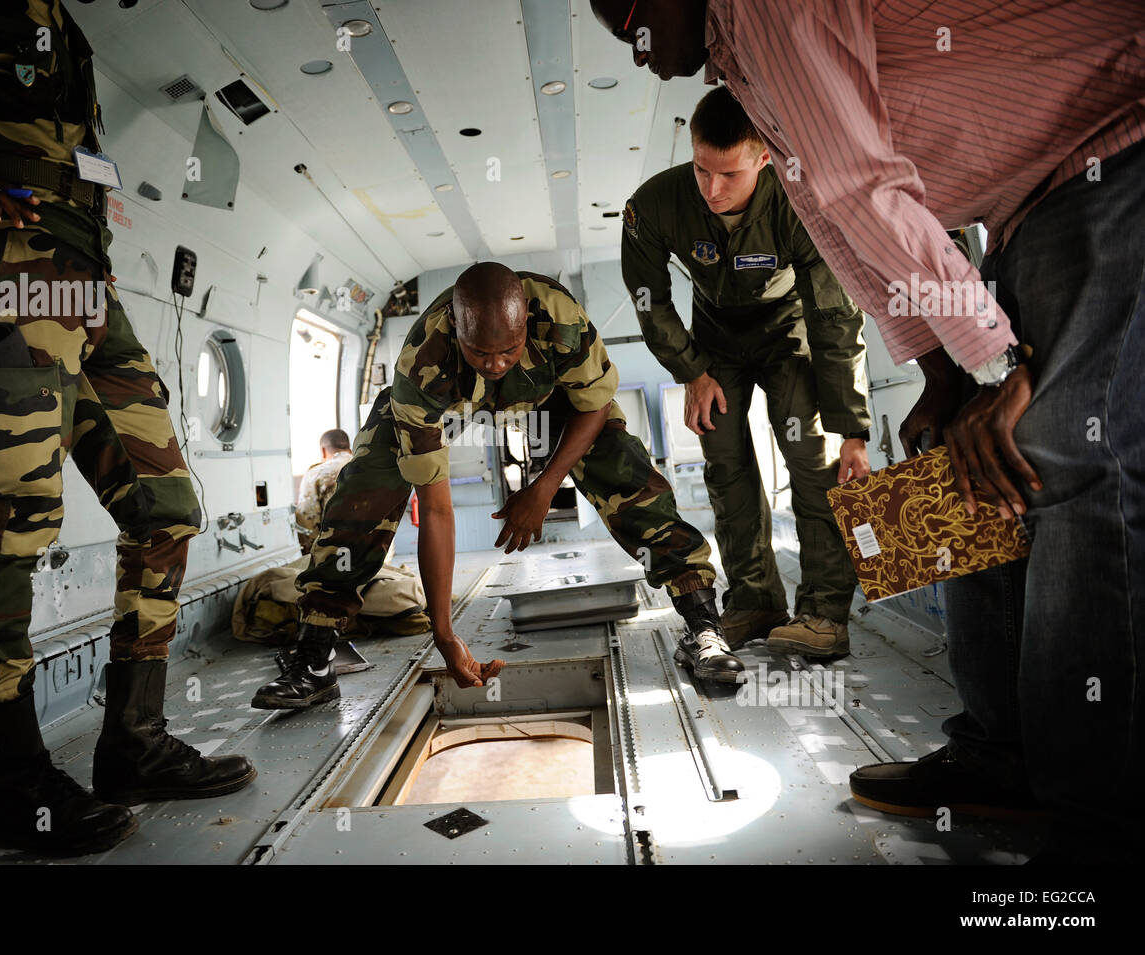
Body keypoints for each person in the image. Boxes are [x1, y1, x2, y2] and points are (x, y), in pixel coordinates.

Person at [591, 0, 1145, 862]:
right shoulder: (730, 78)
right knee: (954, 474)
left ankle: (1097, 814)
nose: (636, 54)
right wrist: (940, 366)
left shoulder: (759, 9)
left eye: (630, 22)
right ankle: (996, 753)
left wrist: (977, 376)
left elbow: (851, 209)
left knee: (1075, 464)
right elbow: (843, 226)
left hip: (1110, 152)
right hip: (1020, 208)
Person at [0, 0, 255, 857]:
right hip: (10, 261)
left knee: (169, 506)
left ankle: (133, 744)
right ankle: (14, 782)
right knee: (11, 526)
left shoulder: (61, 19)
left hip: (83, 274)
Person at [251, 262, 745, 710]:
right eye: (479, 351)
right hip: (445, 401)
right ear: (457, 330)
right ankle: (314, 658)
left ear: (526, 324)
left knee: (624, 467)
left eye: (508, 349)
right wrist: (443, 634)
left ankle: (703, 627)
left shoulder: (560, 320)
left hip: (551, 395)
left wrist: (545, 487)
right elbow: (438, 511)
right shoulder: (423, 363)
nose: (494, 363)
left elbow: (592, 405)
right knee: (366, 487)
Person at [622, 86, 870, 659]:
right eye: (702, 168)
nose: (711, 189)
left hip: (790, 332)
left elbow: (834, 317)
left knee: (812, 457)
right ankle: (755, 600)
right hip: (714, 345)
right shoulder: (656, 205)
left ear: (765, 158)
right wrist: (691, 371)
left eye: (728, 174)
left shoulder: (802, 201)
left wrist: (853, 427)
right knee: (726, 464)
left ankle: (824, 615)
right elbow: (648, 298)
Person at [295, 428, 354, 553]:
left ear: (323, 451)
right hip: (377, 559)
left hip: (337, 558)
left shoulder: (315, 475)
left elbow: (306, 523)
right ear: (350, 450)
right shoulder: (372, 469)